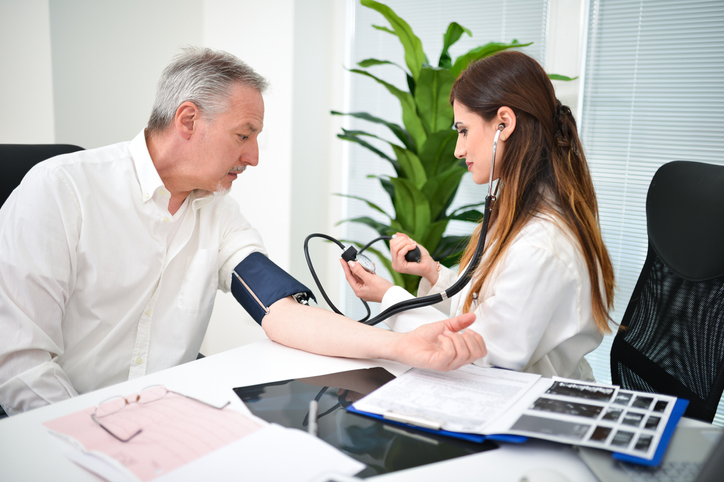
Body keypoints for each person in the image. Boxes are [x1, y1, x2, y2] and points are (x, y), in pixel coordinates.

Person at [0, 48, 486, 416]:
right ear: (188, 120)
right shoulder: (62, 190)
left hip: (169, 421)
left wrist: (400, 345)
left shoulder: (217, 211)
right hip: (66, 426)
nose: (253, 157)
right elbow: (21, 364)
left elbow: (279, 310)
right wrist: (84, 437)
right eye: (243, 134)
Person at [342, 50, 615, 381]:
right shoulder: (523, 215)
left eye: (464, 130)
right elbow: (486, 314)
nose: (458, 150)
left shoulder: (541, 244)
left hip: (532, 408)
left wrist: (388, 297)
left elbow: (480, 353)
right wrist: (434, 274)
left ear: (504, 123)